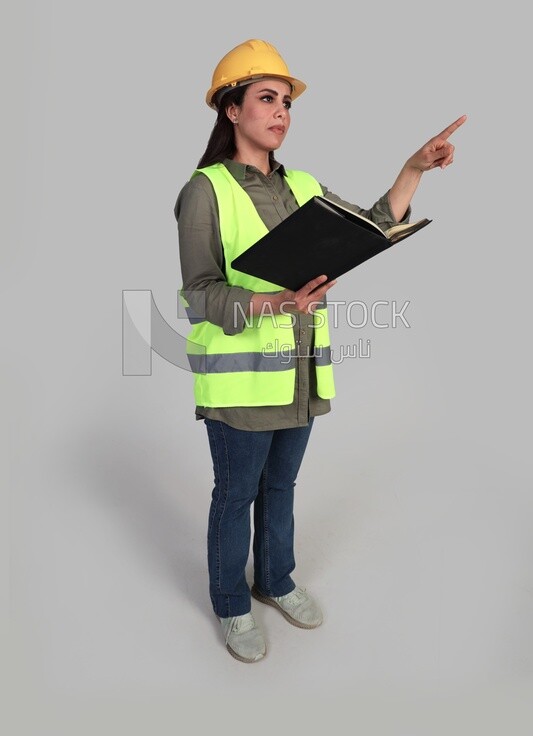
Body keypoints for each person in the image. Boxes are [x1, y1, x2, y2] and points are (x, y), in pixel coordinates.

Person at [174, 39, 466, 663]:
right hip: (241, 385)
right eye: (266, 99)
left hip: (299, 377)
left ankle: (275, 581)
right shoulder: (207, 191)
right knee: (236, 496)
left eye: (286, 103)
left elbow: (366, 225)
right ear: (231, 110)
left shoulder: (302, 184)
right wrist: (275, 302)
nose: (280, 112)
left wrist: (412, 168)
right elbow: (198, 296)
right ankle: (230, 603)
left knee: (281, 487)